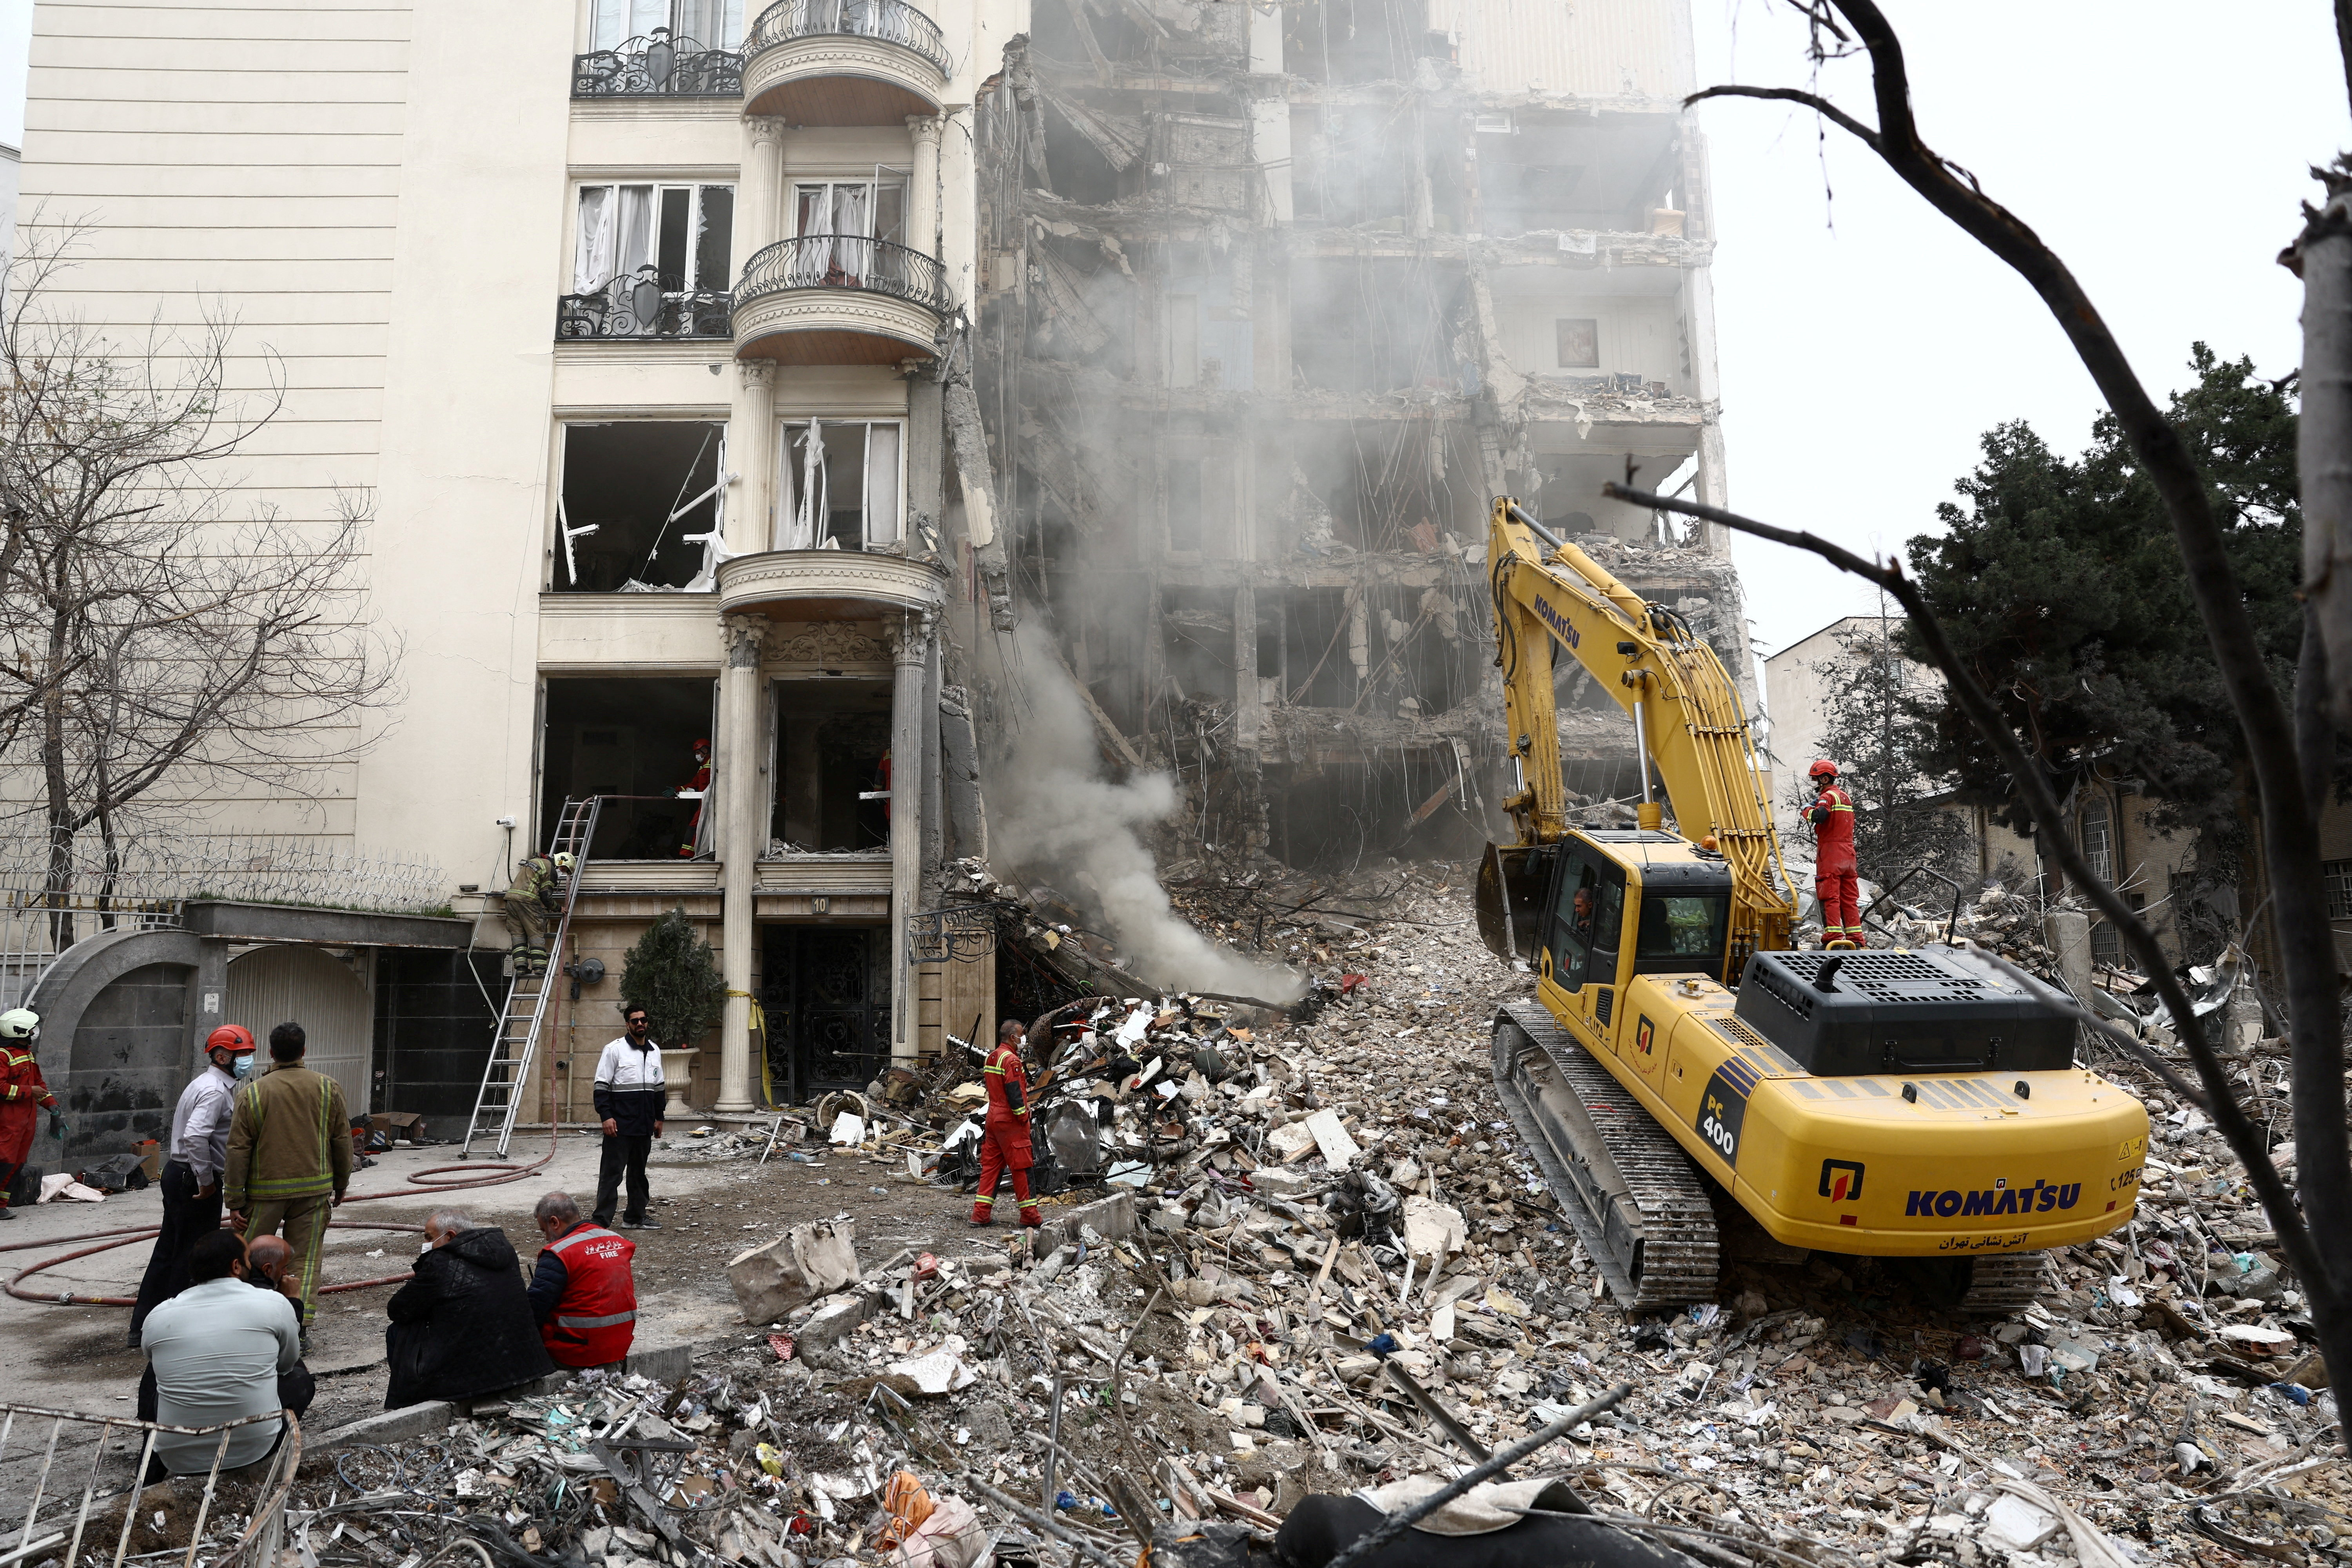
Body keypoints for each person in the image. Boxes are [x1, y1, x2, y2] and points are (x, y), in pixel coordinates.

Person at [137, 1229, 305, 1478]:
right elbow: (286, 1364)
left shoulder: (158, 1316)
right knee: (300, 1375)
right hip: (254, 1448)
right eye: (249, 1259)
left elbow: (155, 1361)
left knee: (161, 1380)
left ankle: (150, 1469)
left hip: (176, 1455)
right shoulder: (275, 1303)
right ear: (237, 1266)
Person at [130, 1024, 256, 1345]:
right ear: (222, 1055)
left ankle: (143, 1325)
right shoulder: (215, 1091)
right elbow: (196, 1136)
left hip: (179, 1174)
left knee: (169, 1249)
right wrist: (206, 1182)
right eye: (242, 1055)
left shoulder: (209, 1084)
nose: (247, 1061)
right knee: (192, 1254)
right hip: (193, 1179)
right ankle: (178, 1330)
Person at [223, 1022, 352, 1334]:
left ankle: (249, 1322)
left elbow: (239, 1149)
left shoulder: (252, 1094)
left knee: (249, 1255)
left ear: (271, 1053)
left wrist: (234, 1200)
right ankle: (299, 1326)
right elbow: (342, 1139)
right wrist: (341, 1182)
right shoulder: (327, 1088)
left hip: (263, 1195)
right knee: (304, 1261)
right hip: (313, 1191)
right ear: (304, 1052)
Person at [384, 1208, 555, 1410]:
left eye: (429, 1238)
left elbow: (398, 1309)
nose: (425, 1244)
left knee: (398, 1332)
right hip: (524, 1366)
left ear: (450, 1236)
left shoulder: (440, 1263)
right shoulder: (505, 1251)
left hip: (467, 1379)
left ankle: (411, 1398)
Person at [526, 1190, 637, 1369]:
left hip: (576, 1353)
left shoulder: (559, 1253)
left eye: (544, 1230)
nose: (546, 1238)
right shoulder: (617, 1241)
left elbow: (534, 1310)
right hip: (619, 1346)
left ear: (554, 1222)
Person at [592, 1007, 665, 1230]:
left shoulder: (655, 1051)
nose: (640, 1024)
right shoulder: (614, 1050)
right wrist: (606, 1117)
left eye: (643, 1020)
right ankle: (601, 1221)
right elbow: (601, 1087)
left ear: (647, 1022)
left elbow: (659, 1088)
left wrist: (659, 1118)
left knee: (638, 1175)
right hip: (619, 1126)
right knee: (612, 1176)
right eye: (635, 1021)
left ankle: (635, 1217)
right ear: (628, 1025)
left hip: (644, 1126)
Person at [970, 1018, 1040, 1229]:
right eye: (1022, 1034)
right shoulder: (1012, 1061)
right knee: (1022, 1167)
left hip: (993, 1118)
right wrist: (1023, 1118)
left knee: (991, 1168)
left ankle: (980, 1215)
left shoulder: (992, 1058)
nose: (1024, 1038)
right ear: (1013, 1037)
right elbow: (1015, 1095)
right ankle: (1030, 1216)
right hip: (1011, 1122)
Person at [0, 1007, 64, 1222]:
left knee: (16, 1165)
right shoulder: (3, 1055)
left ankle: (2, 1205)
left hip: (25, 1123)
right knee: (4, 1163)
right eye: (32, 1030)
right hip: (7, 1122)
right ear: (20, 1032)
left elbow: (38, 1084)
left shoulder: (26, 1054)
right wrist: (29, 1092)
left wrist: (52, 1105)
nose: (34, 1033)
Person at [1806, 759, 1860, 951]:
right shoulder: (1845, 797)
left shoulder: (1827, 797)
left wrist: (1807, 810)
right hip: (1849, 853)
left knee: (1830, 896)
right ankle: (1856, 939)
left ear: (1826, 778)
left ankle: (1834, 937)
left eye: (1816, 780)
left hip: (1831, 853)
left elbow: (1820, 817)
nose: (1815, 784)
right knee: (1849, 897)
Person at [502, 851, 572, 976]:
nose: (562, 872)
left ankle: (521, 967)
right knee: (536, 933)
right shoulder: (551, 869)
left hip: (511, 901)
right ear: (561, 862)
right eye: (564, 869)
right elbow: (546, 897)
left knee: (518, 934)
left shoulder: (536, 862)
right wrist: (559, 908)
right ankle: (539, 967)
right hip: (528, 902)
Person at [677, 739, 711, 857]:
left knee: (697, 826)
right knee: (695, 826)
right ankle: (689, 854)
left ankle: (689, 854)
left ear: (705, 750)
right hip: (704, 803)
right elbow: (694, 784)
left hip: (710, 803)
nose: (697, 756)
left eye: (698, 753)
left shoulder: (713, 763)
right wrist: (677, 789)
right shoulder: (703, 767)